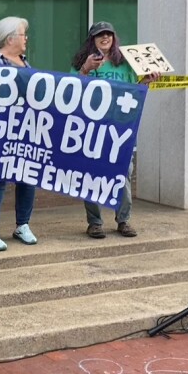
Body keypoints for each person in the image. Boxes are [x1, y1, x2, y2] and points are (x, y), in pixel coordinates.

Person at [70, 21, 160, 239]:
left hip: (121, 129)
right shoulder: (82, 63)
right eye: (100, 35)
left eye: (109, 34)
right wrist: (85, 69)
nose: (105, 38)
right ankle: (95, 222)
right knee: (90, 174)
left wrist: (146, 82)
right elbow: (70, 91)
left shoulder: (125, 64)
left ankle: (124, 220)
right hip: (92, 128)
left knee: (124, 174)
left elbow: (135, 93)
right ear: (92, 40)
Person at [0, 16, 39, 252]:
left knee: (27, 178)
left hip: (24, 129)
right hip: (0, 129)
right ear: (10, 38)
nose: (26, 39)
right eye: (23, 34)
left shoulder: (24, 61)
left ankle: (22, 225)